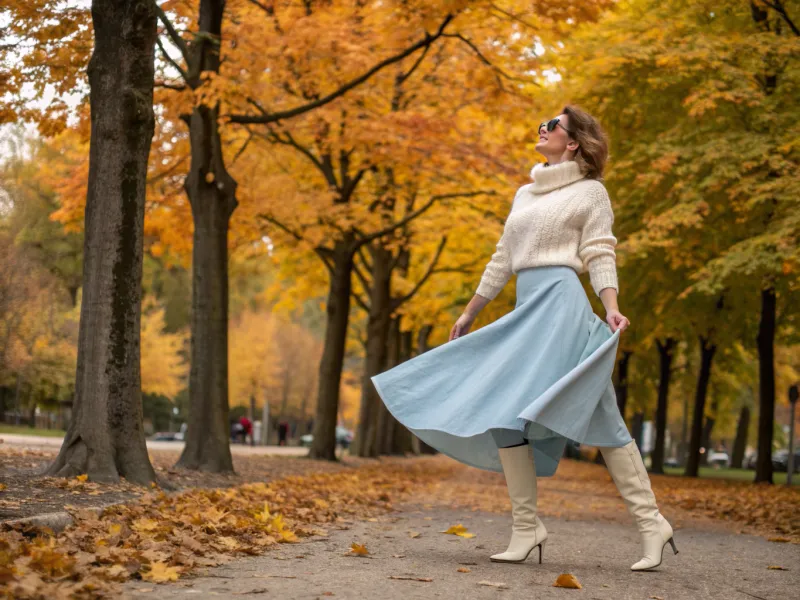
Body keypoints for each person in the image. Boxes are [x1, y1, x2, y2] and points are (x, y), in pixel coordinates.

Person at [371, 105, 677, 572]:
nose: (543, 129)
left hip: (562, 306)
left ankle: (651, 523)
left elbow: (599, 251)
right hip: (527, 306)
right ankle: (527, 527)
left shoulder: (591, 193)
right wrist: (472, 308)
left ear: (572, 142)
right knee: (505, 409)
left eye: (553, 125)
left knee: (597, 416)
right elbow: (503, 256)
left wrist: (611, 306)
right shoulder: (524, 194)